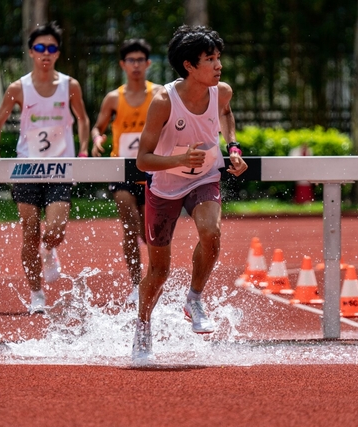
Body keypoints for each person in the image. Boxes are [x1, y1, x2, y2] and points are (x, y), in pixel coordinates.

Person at [133, 25, 248, 359]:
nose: (218, 65)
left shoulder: (221, 92)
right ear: (188, 65)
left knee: (211, 232)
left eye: (218, 58)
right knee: (158, 271)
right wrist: (180, 159)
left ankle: (194, 298)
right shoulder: (163, 101)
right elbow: (142, 160)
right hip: (165, 188)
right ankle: (142, 327)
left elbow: (225, 115)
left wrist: (234, 148)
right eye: (210, 59)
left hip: (204, 179)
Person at [0, 21, 90, 314]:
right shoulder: (18, 88)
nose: (46, 53)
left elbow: (82, 119)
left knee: (55, 230)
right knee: (29, 232)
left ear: (58, 53)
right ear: (32, 51)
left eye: (52, 48)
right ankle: (36, 295)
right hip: (27, 167)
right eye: (40, 48)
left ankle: (50, 251)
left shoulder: (69, 85)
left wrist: (82, 150)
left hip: (60, 167)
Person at [90, 39, 162, 304]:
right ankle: (136, 285)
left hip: (151, 169)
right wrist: (98, 139)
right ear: (123, 65)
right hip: (122, 170)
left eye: (140, 60)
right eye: (130, 60)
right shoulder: (113, 98)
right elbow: (98, 127)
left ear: (148, 64)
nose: (135, 65)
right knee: (130, 228)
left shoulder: (159, 95)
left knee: (147, 232)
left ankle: (155, 279)